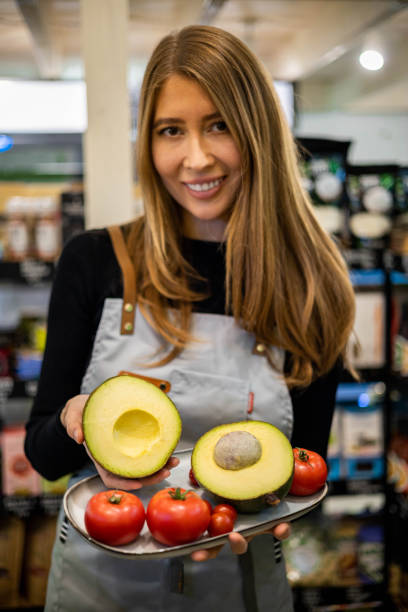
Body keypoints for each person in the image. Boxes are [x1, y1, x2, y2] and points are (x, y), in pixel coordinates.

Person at [24, 24, 355, 612]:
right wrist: (74, 420)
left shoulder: (314, 285)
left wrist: (268, 513)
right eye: (170, 130)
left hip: (243, 584)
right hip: (98, 591)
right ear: (147, 143)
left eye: (219, 124)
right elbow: (44, 455)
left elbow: (304, 471)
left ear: (257, 131)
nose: (195, 158)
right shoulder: (96, 261)